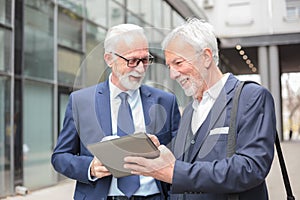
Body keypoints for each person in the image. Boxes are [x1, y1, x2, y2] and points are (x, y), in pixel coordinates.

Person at [124, 18, 277, 200]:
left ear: (206, 57)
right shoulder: (190, 110)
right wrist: (157, 152)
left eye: (178, 63)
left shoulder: (250, 97)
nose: (172, 74)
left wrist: (174, 172)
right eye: (169, 66)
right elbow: (187, 162)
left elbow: (251, 167)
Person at [51, 23, 181, 200]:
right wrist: (90, 167)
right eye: (132, 61)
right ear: (109, 59)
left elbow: (182, 157)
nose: (141, 68)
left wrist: (162, 150)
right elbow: (60, 157)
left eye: (145, 60)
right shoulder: (81, 102)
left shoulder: (166, 101)